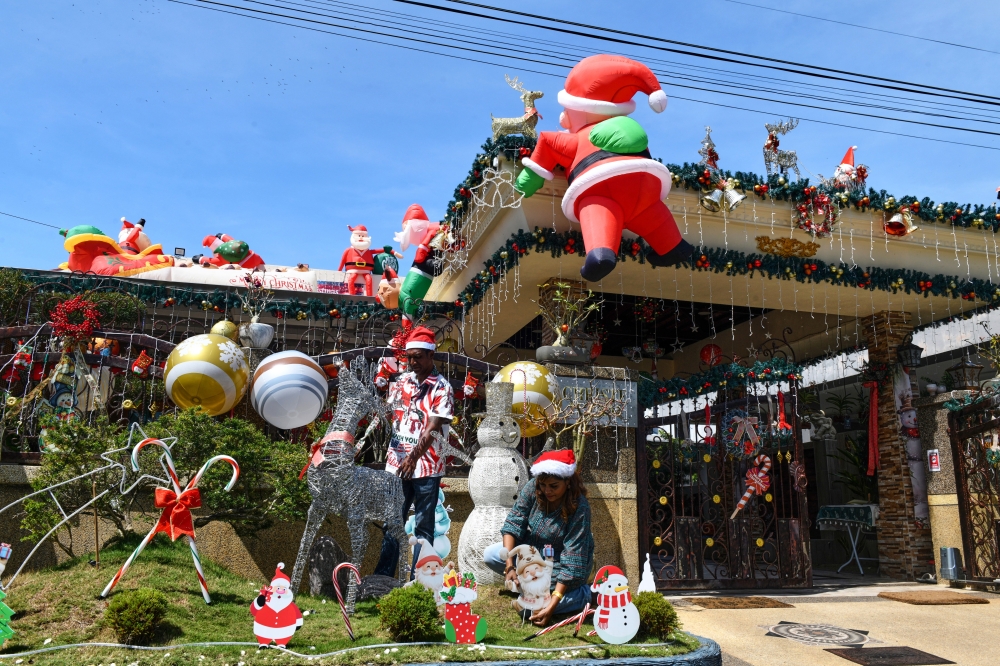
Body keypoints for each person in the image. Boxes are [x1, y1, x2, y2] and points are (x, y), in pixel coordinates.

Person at [483, 449, 595, 627]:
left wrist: (552, 606)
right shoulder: (534, 488)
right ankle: (531, 588)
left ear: (568, 482)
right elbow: (514, 523)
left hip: (560, 564)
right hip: (533, 553)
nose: (547, 490)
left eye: (554, 486)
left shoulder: (580, 507)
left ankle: (584, 595)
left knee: (528, 609)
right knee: (491, 555)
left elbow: (573, 559)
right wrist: (510, 567)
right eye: (543, 485)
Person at [384, 325, 454, 579]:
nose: (412, 362)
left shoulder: (442, 388)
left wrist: (412, 459)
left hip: (426, 466)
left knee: (424, 525)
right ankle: (383, 576)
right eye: (409, 357)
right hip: (397, 464)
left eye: (418, 357)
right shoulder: (401, 381)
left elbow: (434, 428)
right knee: (392, 521)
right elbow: (390, 414)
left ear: (430, 356)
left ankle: (420, 579)